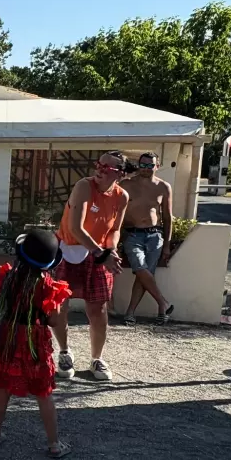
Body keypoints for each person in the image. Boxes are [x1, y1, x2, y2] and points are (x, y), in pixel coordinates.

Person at [0, 229, 73, 458]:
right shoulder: (48, 287)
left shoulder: (8, 278)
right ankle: (54, 444)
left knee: (3, 386)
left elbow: (1, 296)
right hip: (33, 339)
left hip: (7, 335)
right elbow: (54, 320)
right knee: (43, 391)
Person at [52, 151, 130, 382]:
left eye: (109, 167)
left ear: (121, 174)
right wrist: (101, 253)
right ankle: (65, 352)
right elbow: (75, 228)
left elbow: (115, 229)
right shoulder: (84, 186)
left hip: (98, 253)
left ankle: (97, 359)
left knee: (98, 310)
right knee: (59, 306)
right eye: (100, 164)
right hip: (68, 250)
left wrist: (111, 250)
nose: (101, 169)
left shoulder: (122, 196)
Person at [120, 152, 174, 325]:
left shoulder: (163, 187)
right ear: (138, 165)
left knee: (145, 275)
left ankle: (130, 313)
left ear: (157, 166)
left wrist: (167, 244)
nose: (146, 168)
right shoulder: (126, 184)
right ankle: (163, 303)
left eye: (150, 165)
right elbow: (115, 213)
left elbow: (167, 217)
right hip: (132, 234)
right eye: (143, 165)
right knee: (141, 268)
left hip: (154, 235)